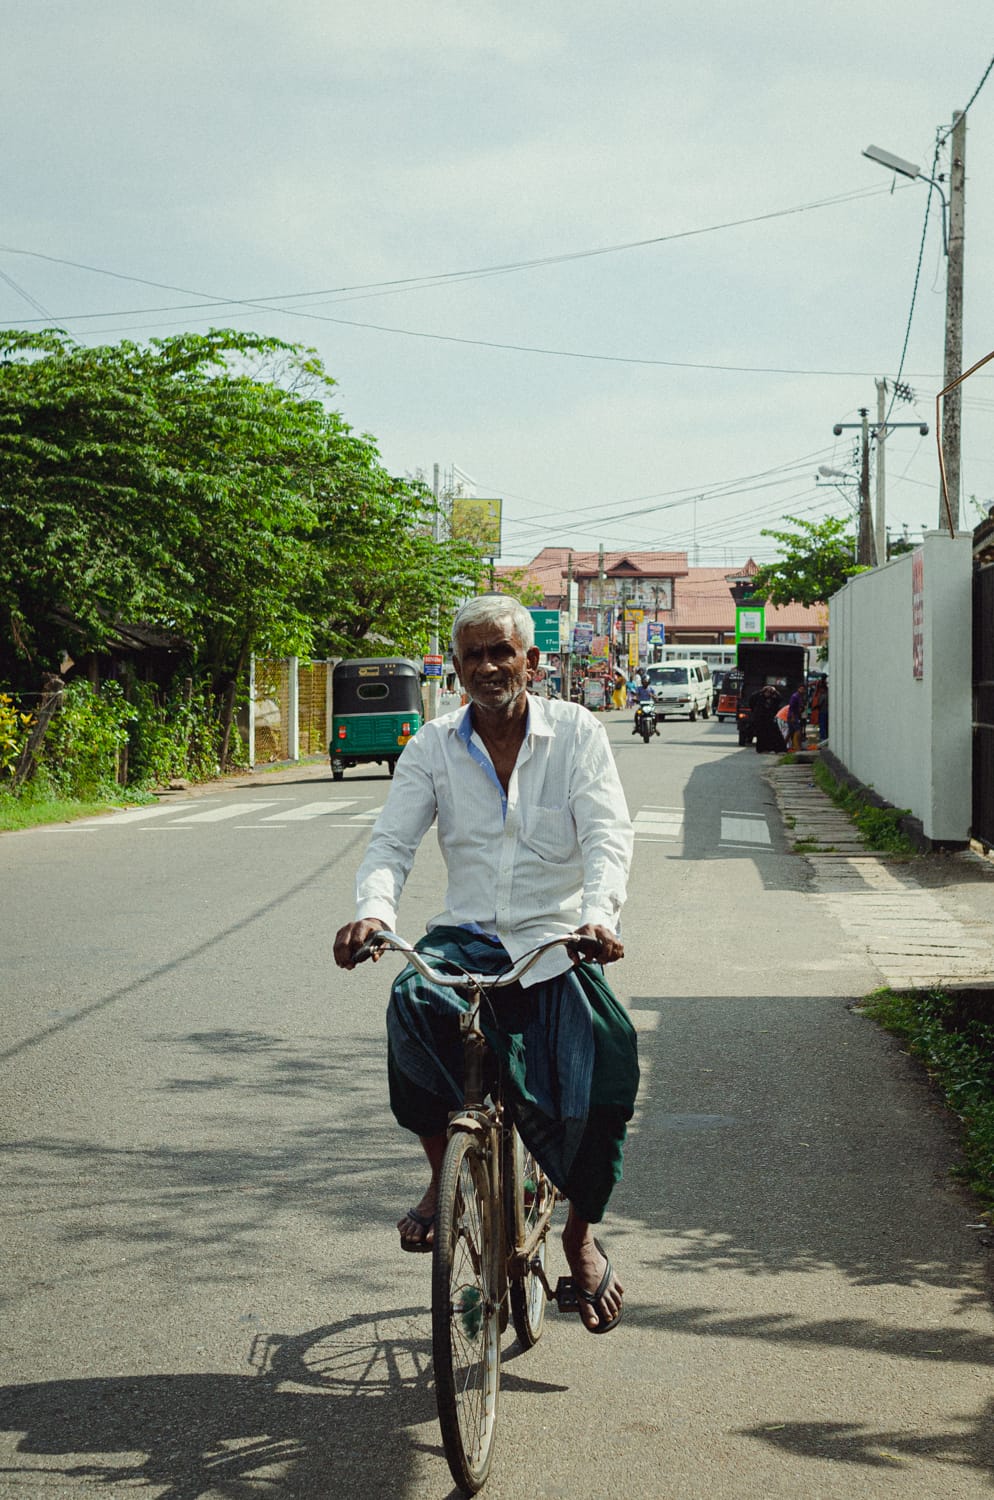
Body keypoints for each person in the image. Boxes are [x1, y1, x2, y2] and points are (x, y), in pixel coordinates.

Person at [334, 595, 639, 1334]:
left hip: (554, 939)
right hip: (463, 935)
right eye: (473, 655)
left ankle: (580, 1234)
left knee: (609, 1058)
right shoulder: (432, 747)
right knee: (411, 1006)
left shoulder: (576, 734)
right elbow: (392, 844)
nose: (489, 667)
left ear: (531, 662)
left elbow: (607, 835)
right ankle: (445, 1170)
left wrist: (599, 916)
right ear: (456, 668)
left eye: (502, 652)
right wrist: (374, 912)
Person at [748, 682, 783, 753]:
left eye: (769, 692)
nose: (767, 694)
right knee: (761, 735)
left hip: (769, 718)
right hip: (760, 719)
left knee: (772, 734)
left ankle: (771, 748)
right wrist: (761, 691)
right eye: (766, 692)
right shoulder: (759, 697)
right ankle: (761, 749)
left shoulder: (773, 699)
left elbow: (780, 699)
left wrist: (775, 691)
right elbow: (751, 699)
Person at [787, 682, 807, 752]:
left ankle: (783, 746)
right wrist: (792, 716)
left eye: (803, 689)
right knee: (797, 731)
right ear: (798, 689)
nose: (802, 690)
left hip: (796, 716)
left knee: (790, 732)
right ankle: (796, 747)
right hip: (793, 716)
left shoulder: (800, 697)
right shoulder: (795, 696)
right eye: (801, 689)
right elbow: (791, 707)